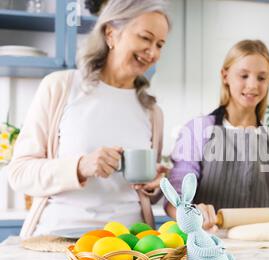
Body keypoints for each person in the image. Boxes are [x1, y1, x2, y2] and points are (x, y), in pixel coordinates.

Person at [8, 0, 171, 238]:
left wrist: (157, 185)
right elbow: (19, 173)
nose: (153, 52)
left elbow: (144, 193)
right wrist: (79, 166)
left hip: (129, 245)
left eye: (160, 44)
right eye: (145, 38)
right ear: (111, 34)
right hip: (59, 238)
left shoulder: (152, 111)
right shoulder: (61, 87)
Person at [166, 40, 269, 232]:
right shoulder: (198, 130)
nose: (252, 85)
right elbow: (176, 196)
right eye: (243, 75)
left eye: (261, 78)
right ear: (225, 76)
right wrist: (190, 212)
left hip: (265, 248)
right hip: (209, 247)